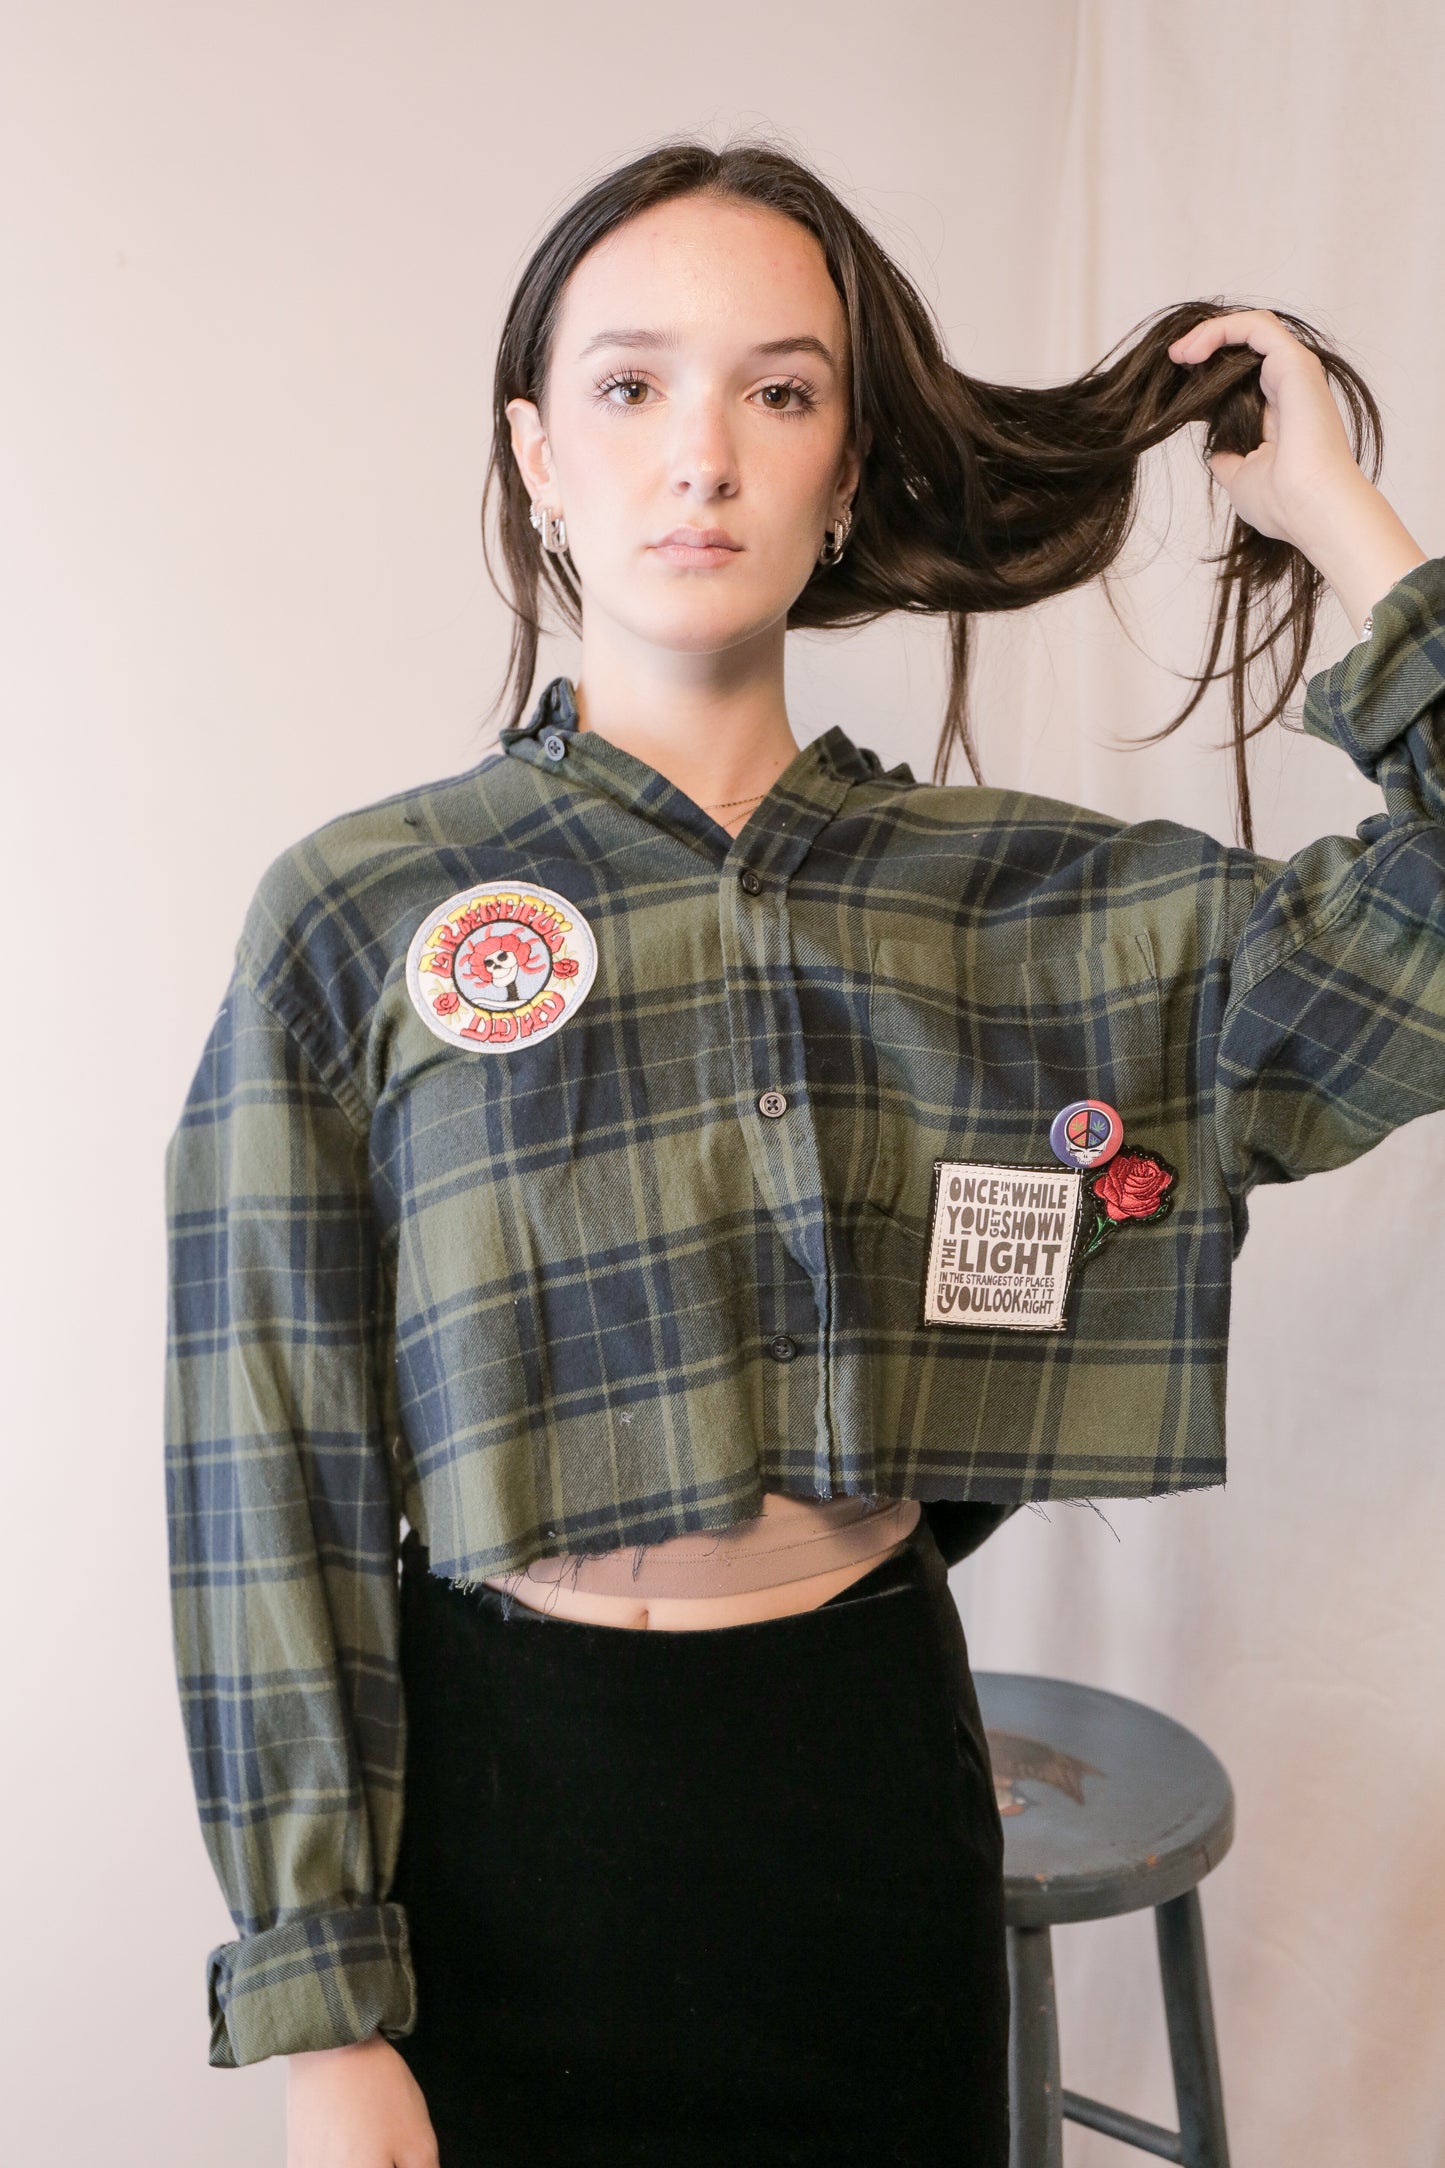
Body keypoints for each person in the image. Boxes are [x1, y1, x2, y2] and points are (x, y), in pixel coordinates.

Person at [163, 138, 1441, 2168]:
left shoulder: (1024, 909)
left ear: (847, 470)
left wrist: (1335, 514)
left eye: (779, 391)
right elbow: (263, 1465)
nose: (703, 455)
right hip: (503, 1821)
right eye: (629, 386)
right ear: (535, 456)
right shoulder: (360, 911)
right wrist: (323, 2004)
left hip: (866, 1796)